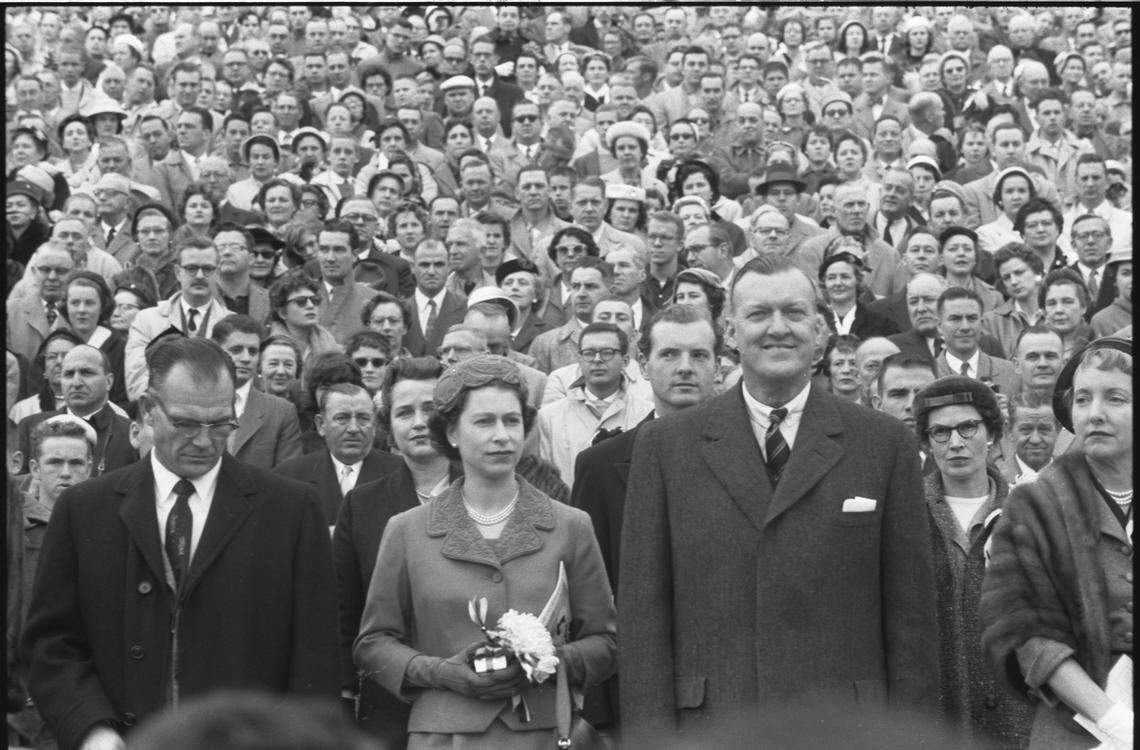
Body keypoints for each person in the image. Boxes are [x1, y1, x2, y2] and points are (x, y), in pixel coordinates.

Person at [619, 255, 938, 734]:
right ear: (729, 332)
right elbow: (644, 624)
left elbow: (912, 618)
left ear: (819, 329)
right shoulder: (666, 448)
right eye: (758, 314)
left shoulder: (883, 443)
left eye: (793, 312)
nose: (778, 328)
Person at [20, 337, 338, 750]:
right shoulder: (83, 510)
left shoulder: (292, 511)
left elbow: (317, 659)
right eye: (186, 423)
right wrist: (93, 732)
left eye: (221, 424)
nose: (205, 441)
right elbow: (51, 645)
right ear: (149, 410)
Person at [354, 355, 617, 747]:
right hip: (444, 737)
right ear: (452, 433)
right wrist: (442, 672)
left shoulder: (570, 525)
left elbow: (606, 643)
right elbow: (373, 646)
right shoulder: (407, 531)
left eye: (512, 421)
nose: (502, 435)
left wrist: (545, 662)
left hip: (544, 735)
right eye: (484, 421)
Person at [980, 337, 1134, 750]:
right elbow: (1029, 635)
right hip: (1077, 732)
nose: (1094, 413)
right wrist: (1116, 723)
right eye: (1083, 399)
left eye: (1115, 398)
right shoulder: (1036, 503)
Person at [334, 357, 451, 745]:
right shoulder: (362, 505)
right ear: (388, 426)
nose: (418, 422)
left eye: (430, 409)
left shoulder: (487, 493)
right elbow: (344, 612)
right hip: (391, 701)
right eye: (404, 412)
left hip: (477, 696)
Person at [913, 376, 1033, 748]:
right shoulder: (907, 515)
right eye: (941, 433)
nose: (956, 443)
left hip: (1016, 708)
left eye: (968, 427)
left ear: (992, 434)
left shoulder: (1028, 511)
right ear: (927, 443)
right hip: (935, 710)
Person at [536, 322, 653, 486]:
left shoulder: (646, 414)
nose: (597, 360)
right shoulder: (549, 417)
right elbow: (542, 479)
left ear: (626, 361)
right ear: (579, 360)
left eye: (607, 353)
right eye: (589, 353)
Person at [275, 382, 404, 529]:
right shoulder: (290, 477)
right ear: (321, 425)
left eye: (363, 418)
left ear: (374, 425)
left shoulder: (400, 473)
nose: (353, 428)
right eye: (342, 418)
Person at [211, 315, 302, 471]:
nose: (246, 358)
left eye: (253, 351)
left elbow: (287, 479)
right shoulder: (192, 401)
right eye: (236, 350)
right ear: (216, 350)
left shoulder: (281, 411)